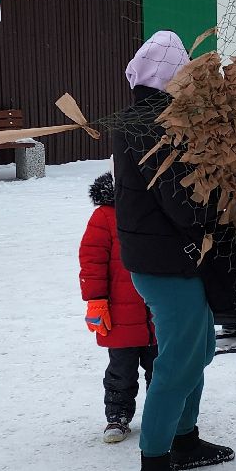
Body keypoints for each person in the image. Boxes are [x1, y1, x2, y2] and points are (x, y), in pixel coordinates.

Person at [110, 30, 236, 471]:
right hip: (168, 260)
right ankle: (154, 466)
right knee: (179, 361)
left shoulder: (147, 116)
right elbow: (183, 202)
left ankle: (184, 440)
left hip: (163, 257)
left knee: (198, 348)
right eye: (185, 72)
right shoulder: (156, 125)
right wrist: (225, 210)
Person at [79, 173, 156, 444]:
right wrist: (96, 300)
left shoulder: (155, 209)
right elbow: (92, 262)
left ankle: (158, 416)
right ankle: (117, 417)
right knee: (120, 371)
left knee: (160, 367)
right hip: (120, 313)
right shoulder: (104, 217)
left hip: (155, 310)